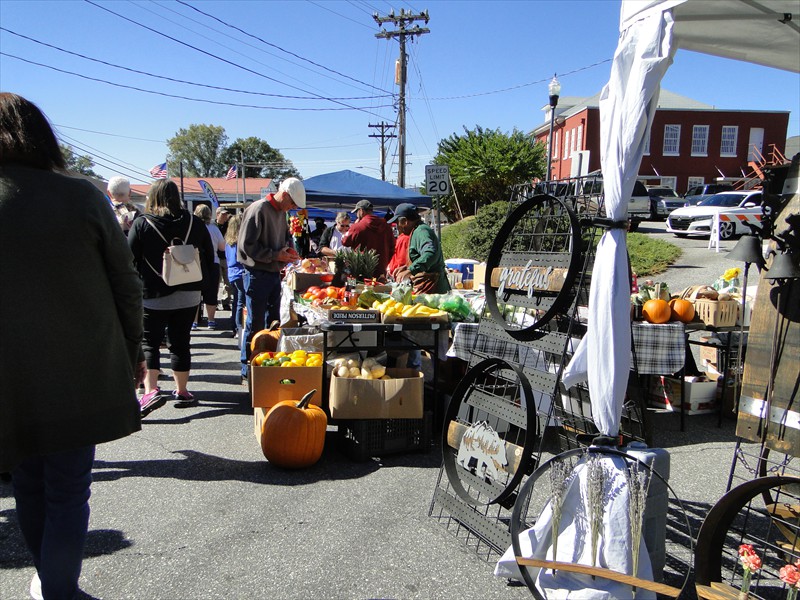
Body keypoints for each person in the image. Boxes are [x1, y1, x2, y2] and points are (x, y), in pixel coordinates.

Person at [0, 93, 145, 600]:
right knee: (66, 487)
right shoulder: (81, 196)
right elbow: (126, 283)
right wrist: (133, 351)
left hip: (7, 375)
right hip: (78, 367)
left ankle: (51, 581)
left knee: (27, 481)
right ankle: (58, 588)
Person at [128, 180, 215, 411]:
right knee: (181, 342)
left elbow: (129, 258)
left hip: (153, 294)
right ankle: (183, 390)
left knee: (150, 343)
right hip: (189, 293)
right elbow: (208, 255)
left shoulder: (142, 223)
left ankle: (150, 391)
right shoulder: (194, 222)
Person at [238, 177, 305, 380]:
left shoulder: (281, 213)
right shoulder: (258, 209)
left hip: (273, 272)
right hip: (256, 273)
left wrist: (289, 250)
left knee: (273, 321)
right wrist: (276, 255)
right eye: (292, 203)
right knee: (255, 322)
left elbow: (286, 238)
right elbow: (246, 246)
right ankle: (248, 367)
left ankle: (267, 364)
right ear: (284, 195)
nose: (292, 208)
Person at [388, 203, 451, 294]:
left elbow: (430, 253)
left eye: (397, 223)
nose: (397, 227)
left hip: (435, 290)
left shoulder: (421, 231)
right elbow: (422, 257)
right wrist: (407, 267)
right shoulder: (417, 231)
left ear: (404, 221)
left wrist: (411, 270)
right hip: (431, 288)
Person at [192, 204, 226, 330]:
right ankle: (211, 321)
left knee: (195, 293)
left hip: (195, 263)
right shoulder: (214, 228)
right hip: (213, 262)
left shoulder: (192, 228)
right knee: (211, 293)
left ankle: (194, 322)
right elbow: (222, 247)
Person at [342, 199, 394, 278]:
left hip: (360, 271)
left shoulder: (357, 227)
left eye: (357, 212)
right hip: (381, 271)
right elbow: (392, 247)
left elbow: (345, 241)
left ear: (361, 211)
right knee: (379, 290)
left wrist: (354, 226)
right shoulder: (387, 227)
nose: (356, 215)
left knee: (357, 289)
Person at [225, 214, 245, 339]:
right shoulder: (240, 241)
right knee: (240, 302)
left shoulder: (228, 240)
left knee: (236, 301)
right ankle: (238, 328)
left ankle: (235, 326)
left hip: (232, 273)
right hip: (240, 273)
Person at [215, 207, 233, 308]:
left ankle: (226, 301)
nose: (225, 216)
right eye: (223, 214)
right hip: (216, 257)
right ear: (217, 215)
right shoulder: (213, 226)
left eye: (226, 214)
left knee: (227, 282)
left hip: (226, 257)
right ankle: (215, 302)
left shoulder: (228, 226)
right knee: (217, 281)